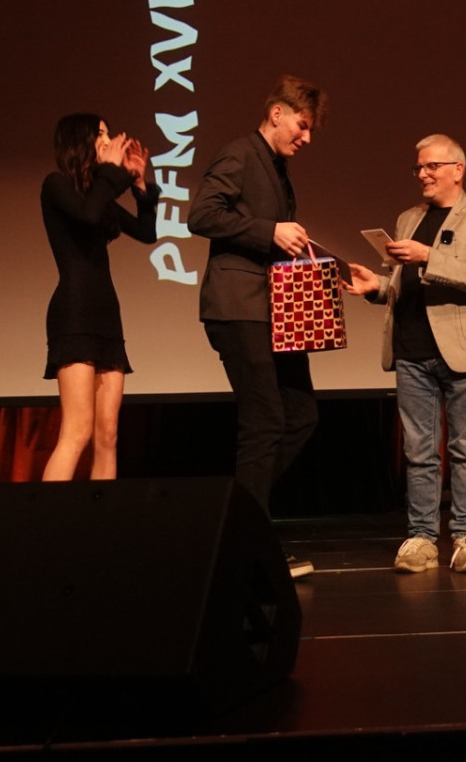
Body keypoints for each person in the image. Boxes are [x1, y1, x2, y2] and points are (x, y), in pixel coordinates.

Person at [347, 135, 466, 574]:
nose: (423, 174)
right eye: (418, 167)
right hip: (412, 349)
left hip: (464, 352)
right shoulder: (409, 217)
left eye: (432, 166)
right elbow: (404, 286)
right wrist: (377, 287)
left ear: (458, 169)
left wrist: (427, 255)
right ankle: (421, 537)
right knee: (419, 452)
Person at [190, 75, 324, 579]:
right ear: (276, 114)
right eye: (302, 126)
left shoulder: (277, 168)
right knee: (265, 420)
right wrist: (270, 231)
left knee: (301, 413)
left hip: (276, 311)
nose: (306, 138)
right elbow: (201, 215)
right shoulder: (240, 154)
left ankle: (234, 516)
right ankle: (249, 545)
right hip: (238, 306)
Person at [40, 114, 158, 482]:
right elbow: (89, 216)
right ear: (82, 140)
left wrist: (139, 184)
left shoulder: (99, 193)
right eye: (102, 134)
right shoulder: (57, 185)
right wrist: (111, 173)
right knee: (77, 431)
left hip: (106, 313)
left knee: (108, 436)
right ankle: (47, 515)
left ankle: (100, 514)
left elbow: (146, 232)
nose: (109, 141)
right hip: (74, 312)